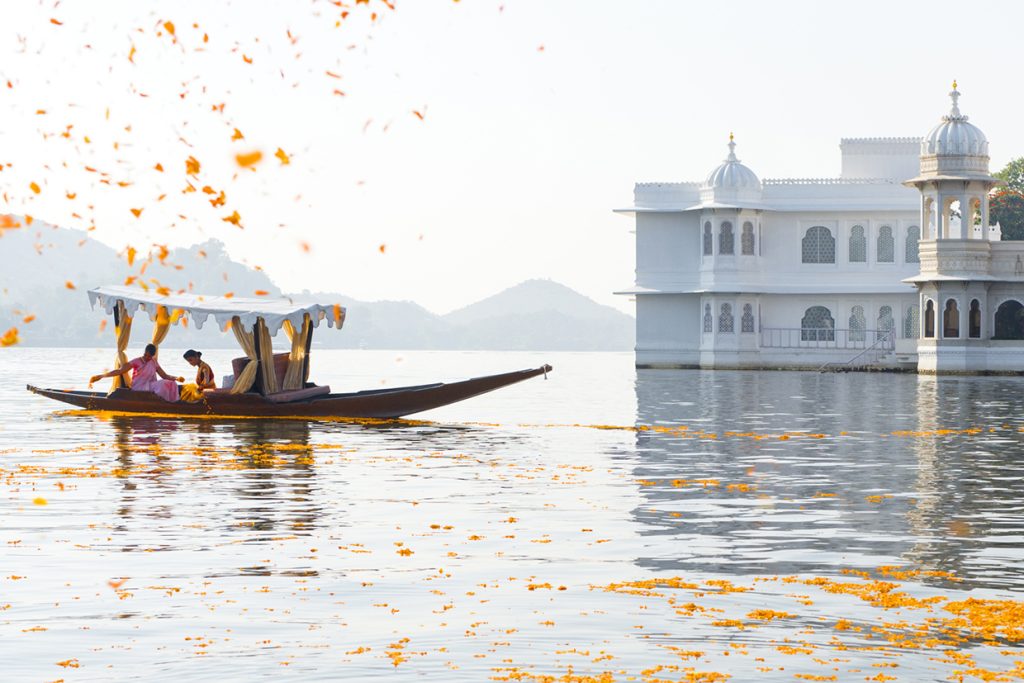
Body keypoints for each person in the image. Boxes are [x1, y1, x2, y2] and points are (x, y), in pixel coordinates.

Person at [89, 343, 183, 402]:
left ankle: (170, 402)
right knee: (163, 384)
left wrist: (176, 378)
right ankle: (164, 402)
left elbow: (164, 375)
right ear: (144, 352)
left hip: (150, 385)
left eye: (149, 356)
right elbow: (120, 370)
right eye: (145, 355)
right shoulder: (136, 361)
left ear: (153, 356)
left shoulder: (153, 362)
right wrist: (101, 376)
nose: (147, 358)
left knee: (171, 383)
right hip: (138, 386)